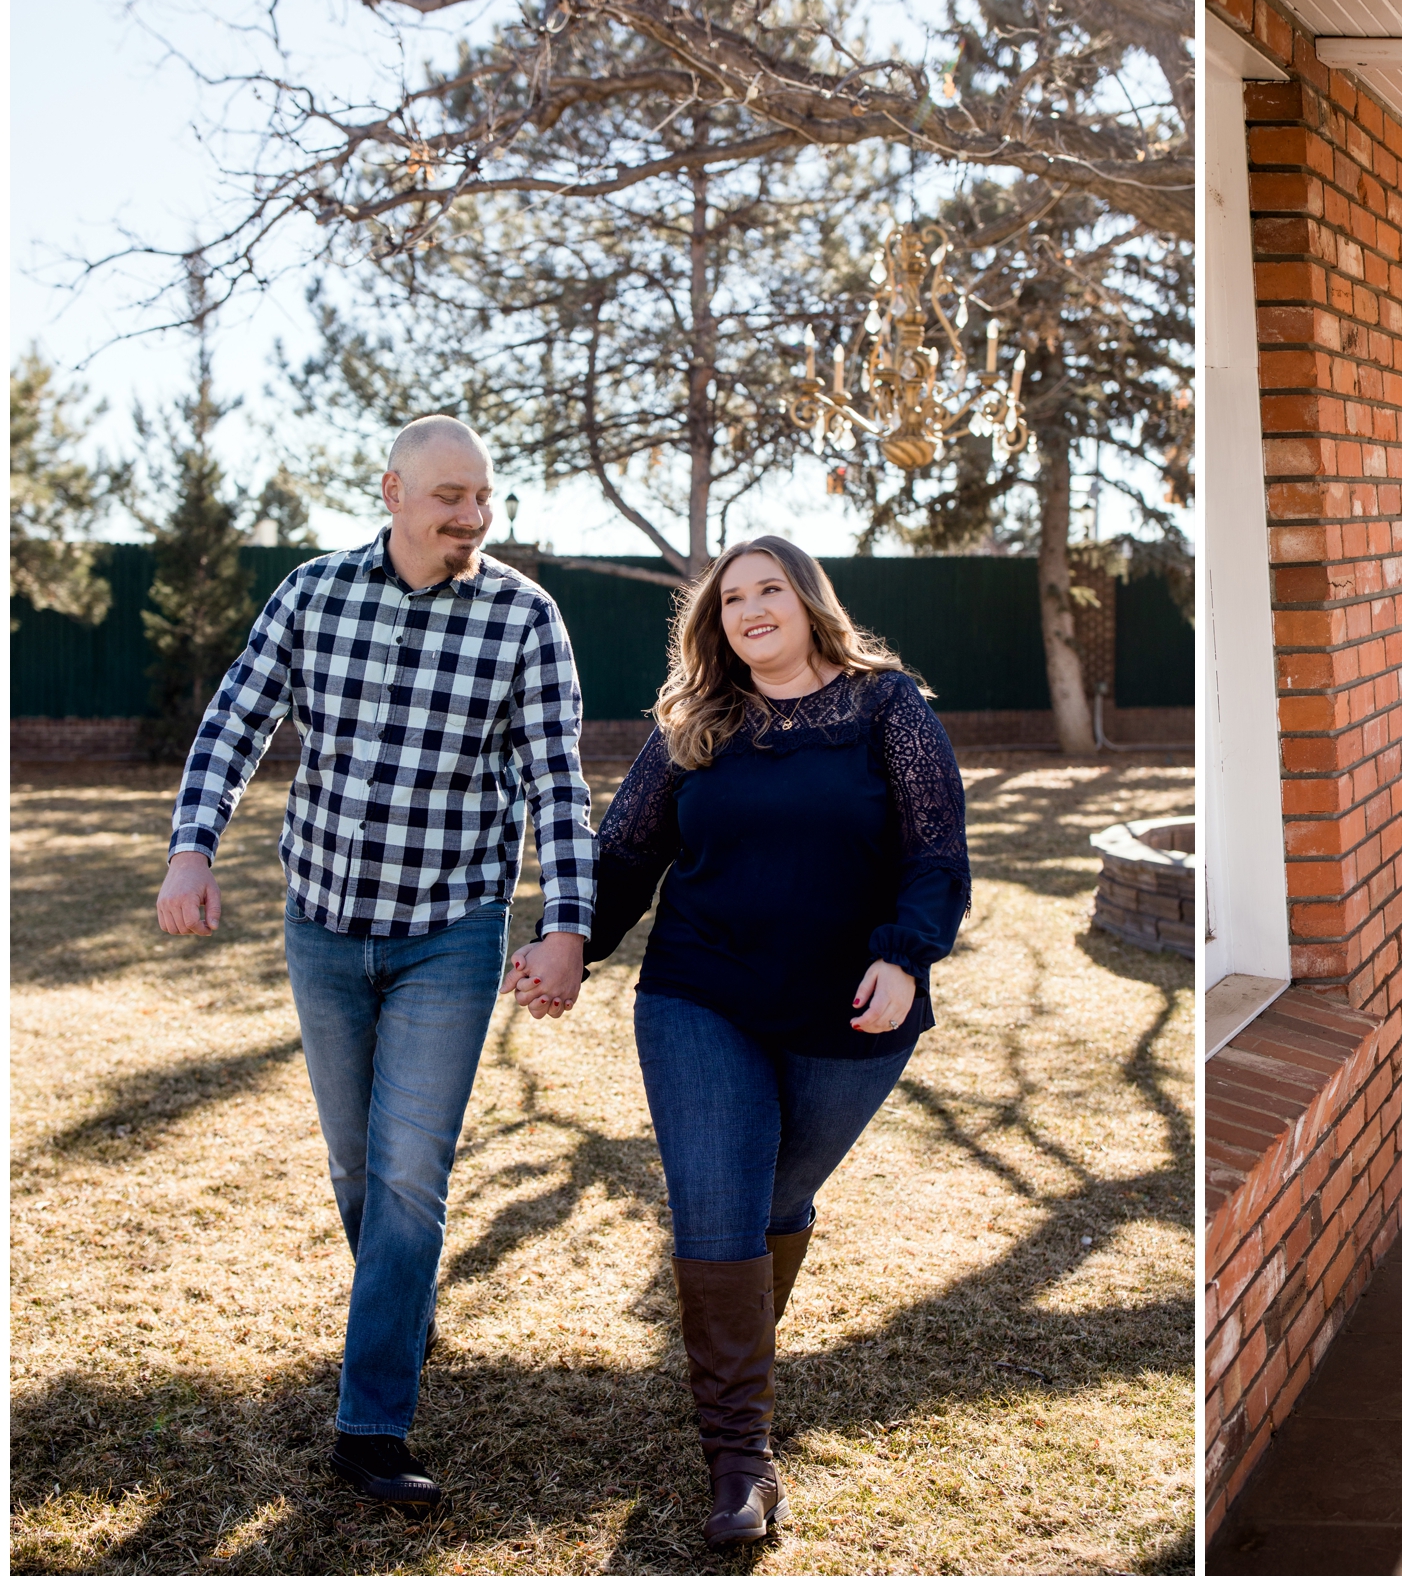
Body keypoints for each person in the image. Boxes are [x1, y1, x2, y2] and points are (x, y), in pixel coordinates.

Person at [156, 415, 592, 1510]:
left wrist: (567, 924)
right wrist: (192, 845)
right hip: (324, 927)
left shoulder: (523, 618)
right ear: (393, 490)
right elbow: (234, 722)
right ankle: (399, 1304)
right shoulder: (313, 594)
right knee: (357, 1169)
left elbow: (557, 781)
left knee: (408, 1171)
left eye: (483, 497)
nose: (471, 516)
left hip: (452, 929)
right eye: (449, 495)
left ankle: (371, 1423)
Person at [511, 534, 970, 1546]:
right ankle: (739, 1461)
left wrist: (905, 954)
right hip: (699, 995)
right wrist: (567, 942)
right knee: (717, 1208)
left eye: (771, 590)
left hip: (852, 1010)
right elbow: (625, 851)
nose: (752, 609)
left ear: (809, 602)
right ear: (714, 624)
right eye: (731, 600)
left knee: (771, 1201)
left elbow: (936, 851)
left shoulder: (885, 707)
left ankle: (736, 1371)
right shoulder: (697, 723)